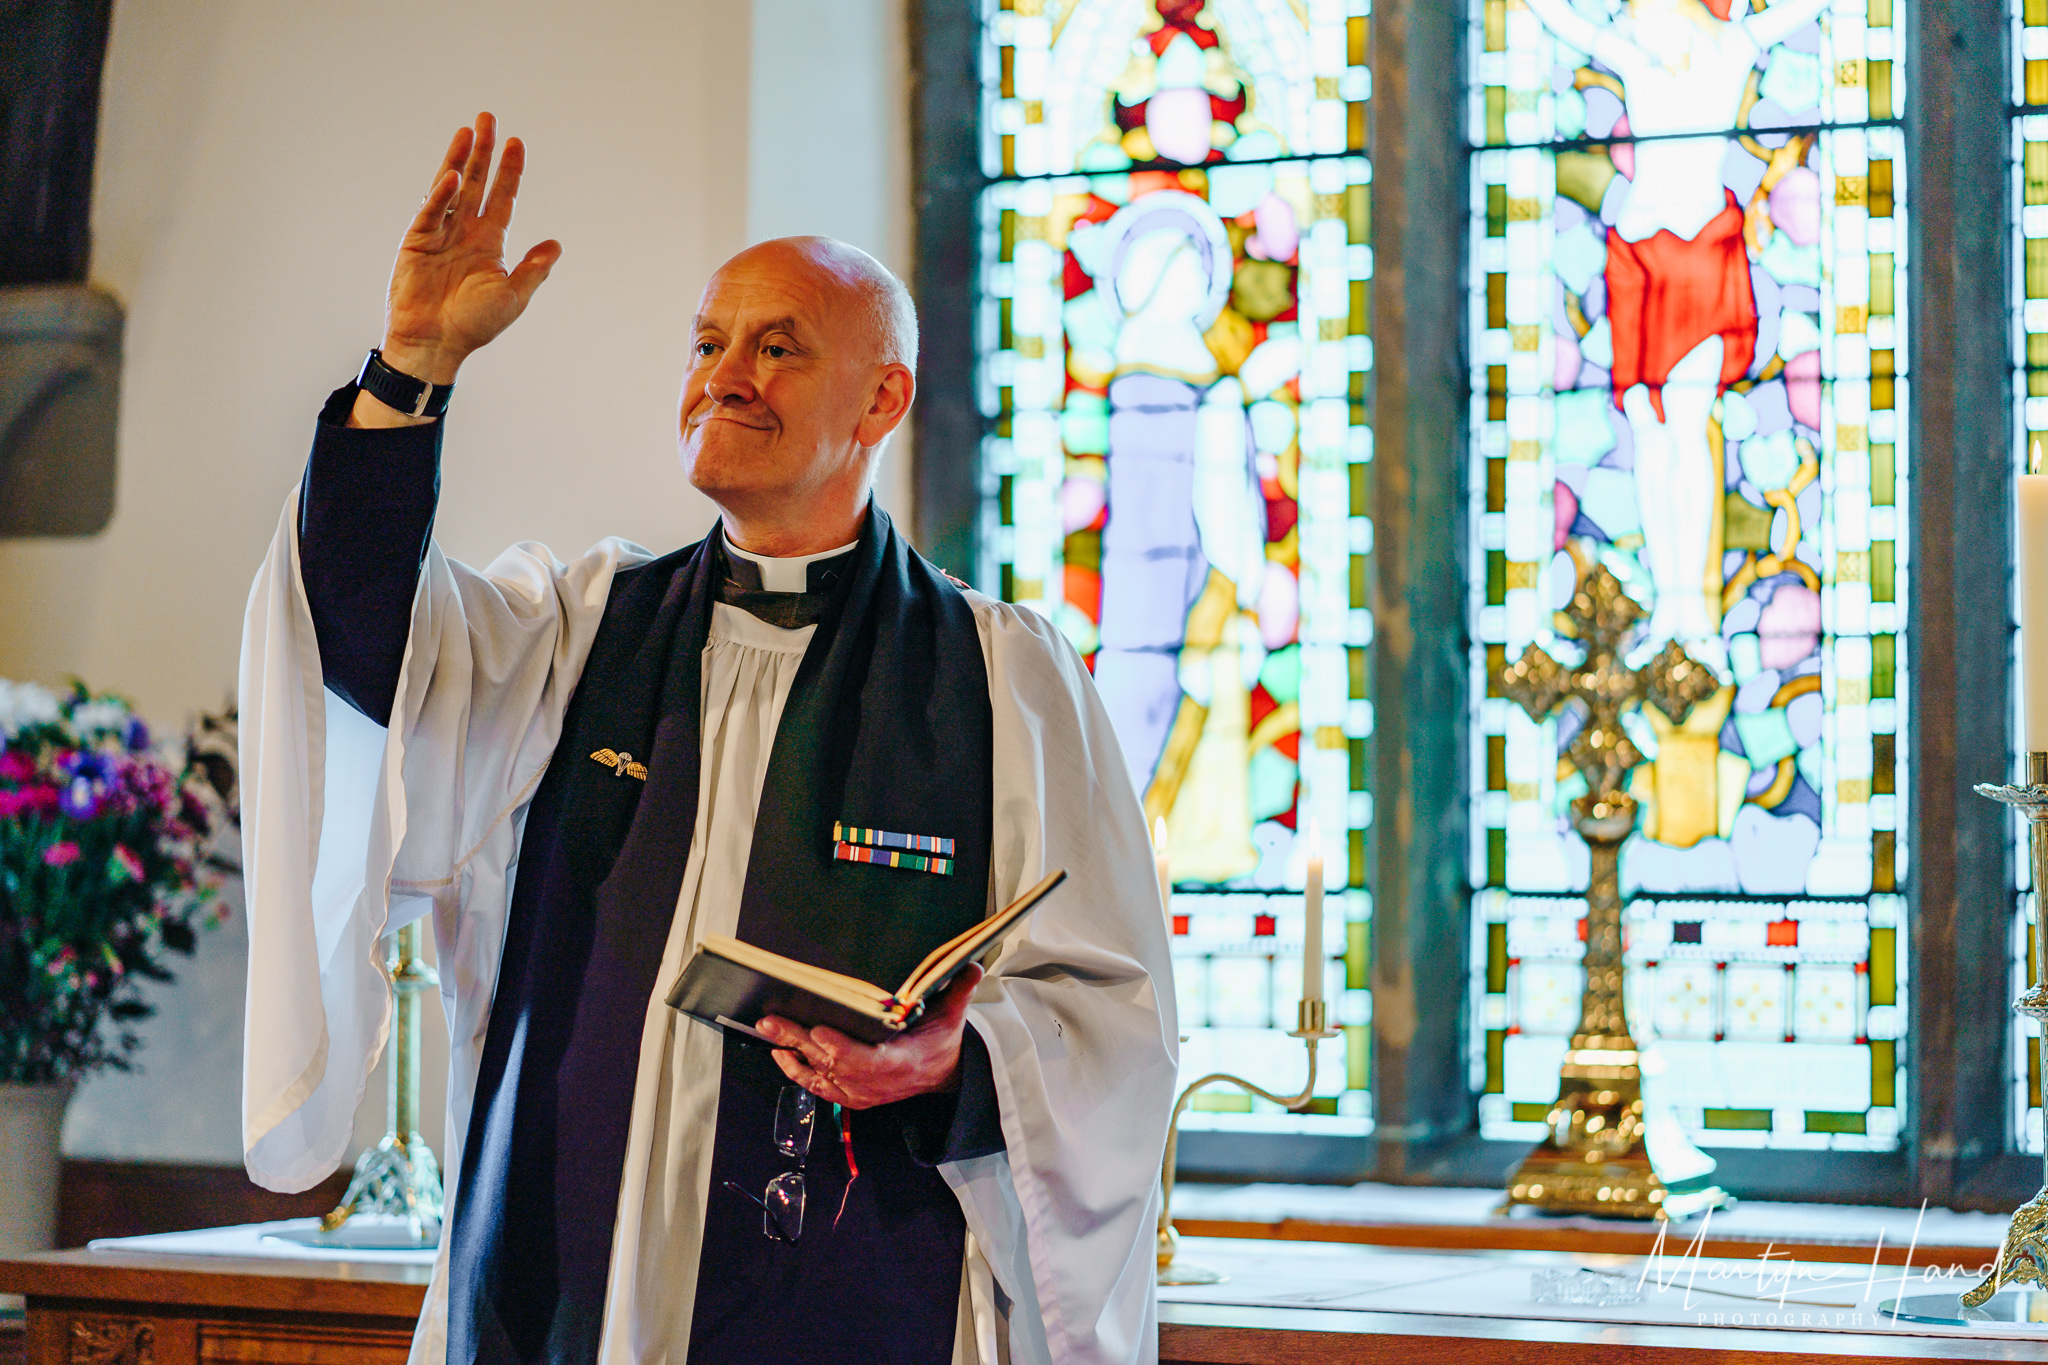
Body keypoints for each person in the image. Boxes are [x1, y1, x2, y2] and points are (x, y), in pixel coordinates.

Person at [237, 112, 1178, 1365]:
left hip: (854, 1292)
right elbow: (364, 644)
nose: (723, 375)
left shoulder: (1000, 679)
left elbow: (1113, 1021)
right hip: (565, 1290)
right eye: (706, 342)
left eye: (776, 347)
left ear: (882, 396)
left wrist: (959, 1061)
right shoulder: (574, 632)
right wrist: (412, 365)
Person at [1520, 0, 1828, 649]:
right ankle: (1669, 606)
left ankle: (1694, 606)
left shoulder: (1732, 49)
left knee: (1687, 427)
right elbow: (1567, 24)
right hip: (1636, 260)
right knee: (1648, 433)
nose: (1635, 16)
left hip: (1698, 254)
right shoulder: (1637, 56)